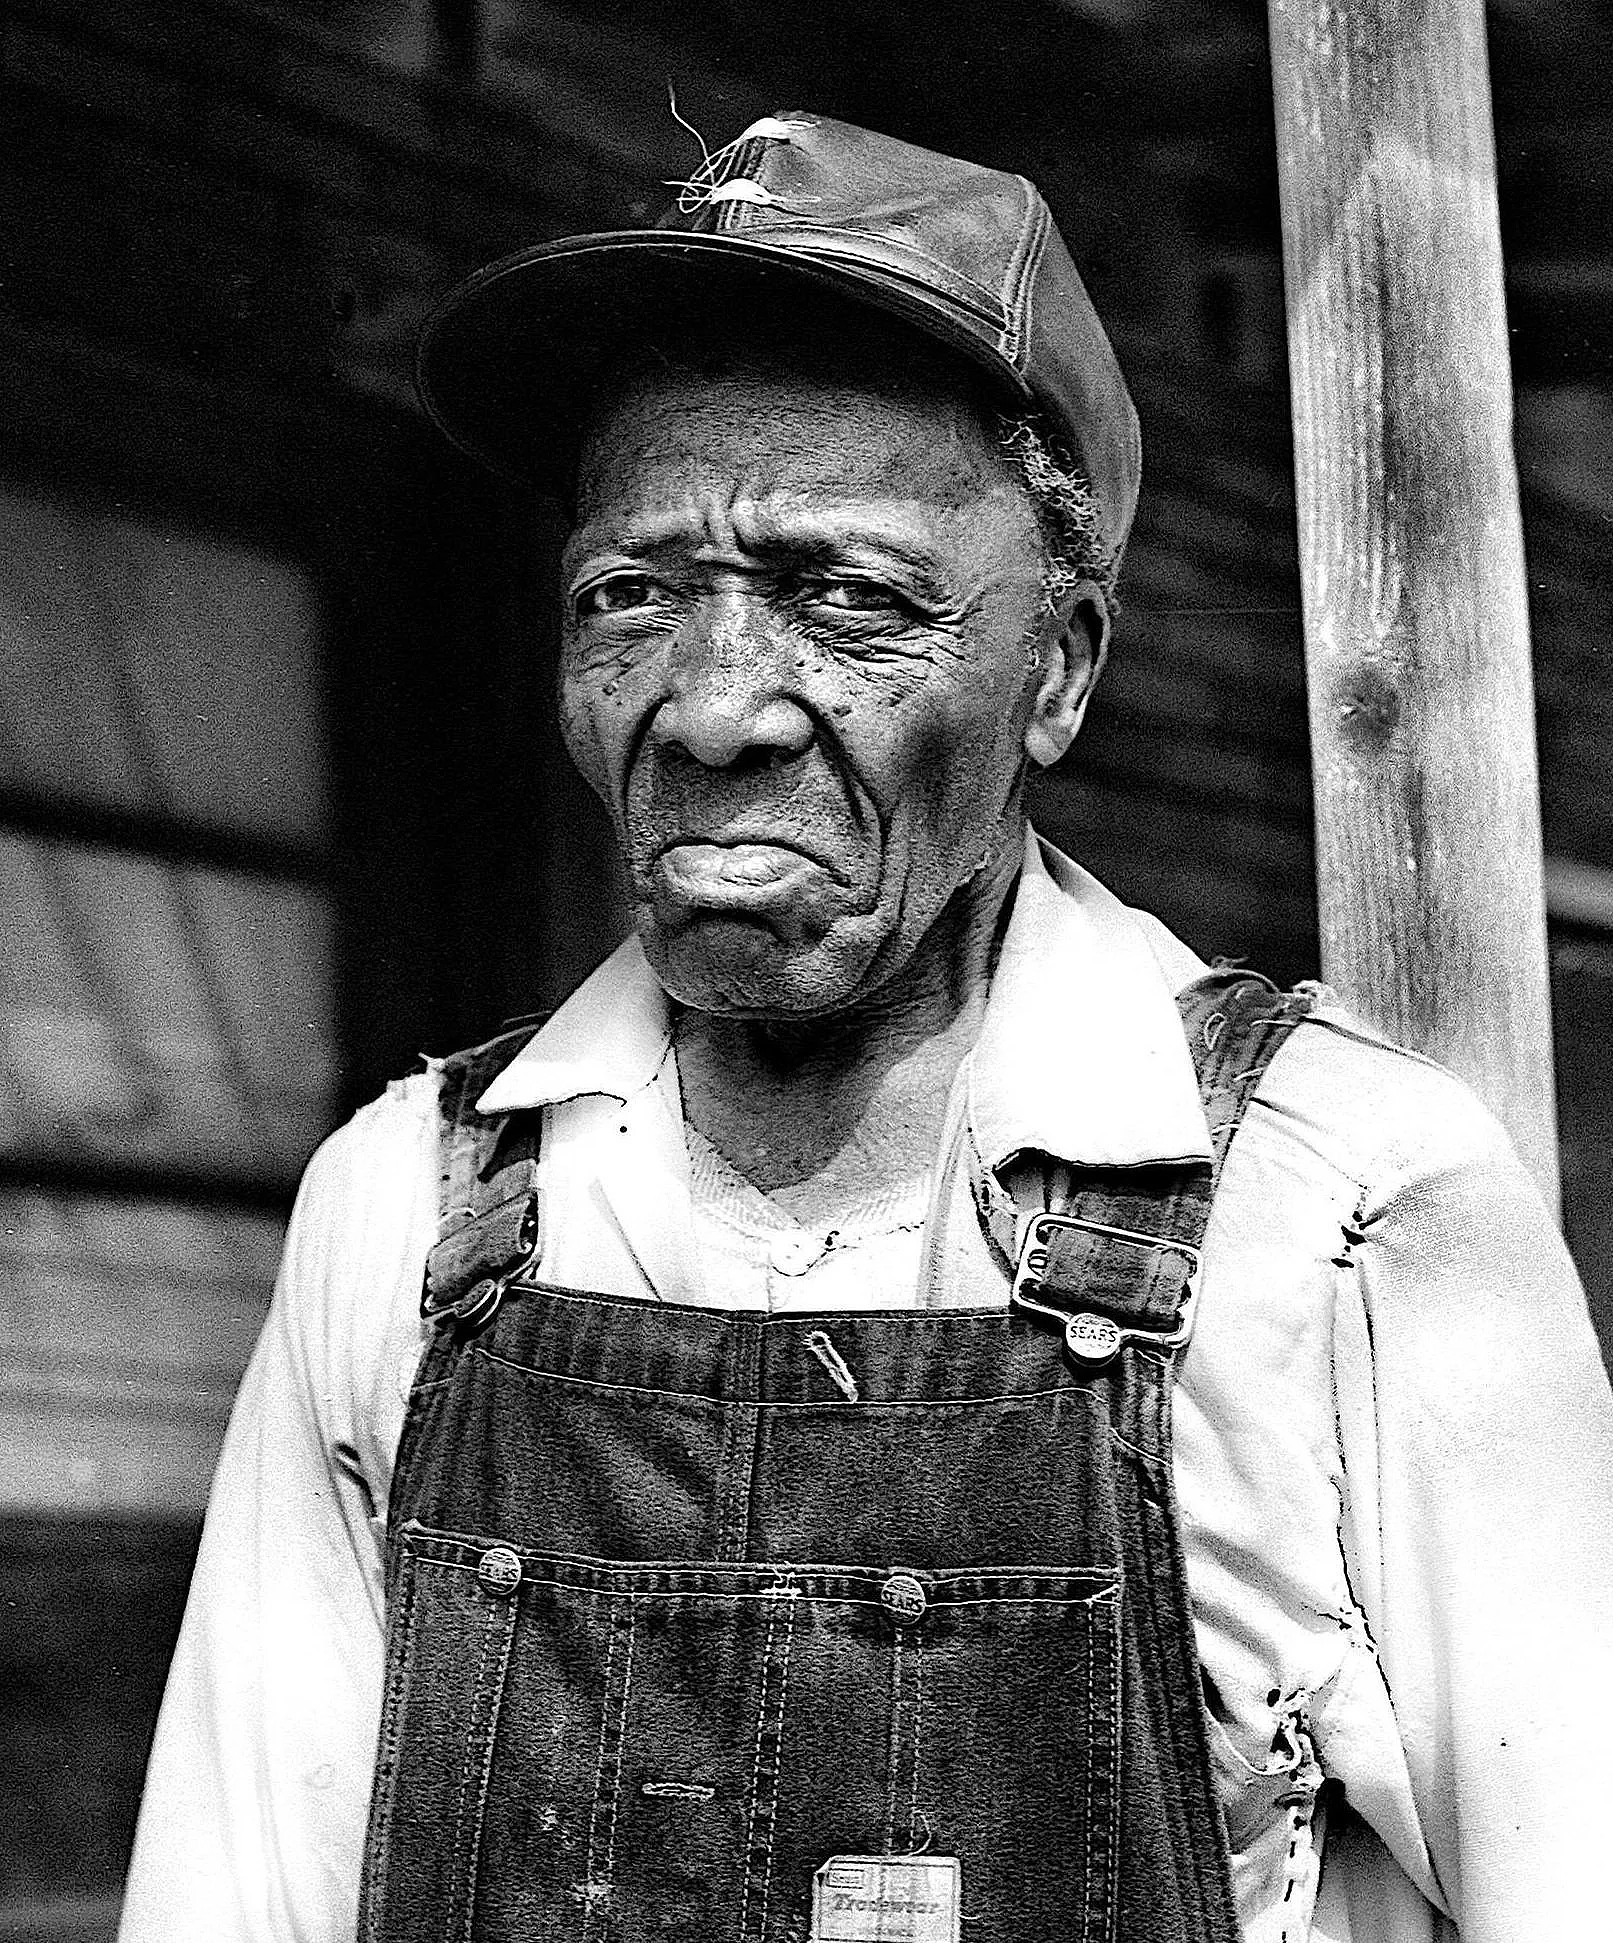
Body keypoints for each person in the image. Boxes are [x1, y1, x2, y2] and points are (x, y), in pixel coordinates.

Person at [119, 112, 1613, 1943]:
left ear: (1055, 668)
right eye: (632, 595)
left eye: (850, 599)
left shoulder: (1345, 1213)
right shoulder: (407, 1225)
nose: (715, 706)